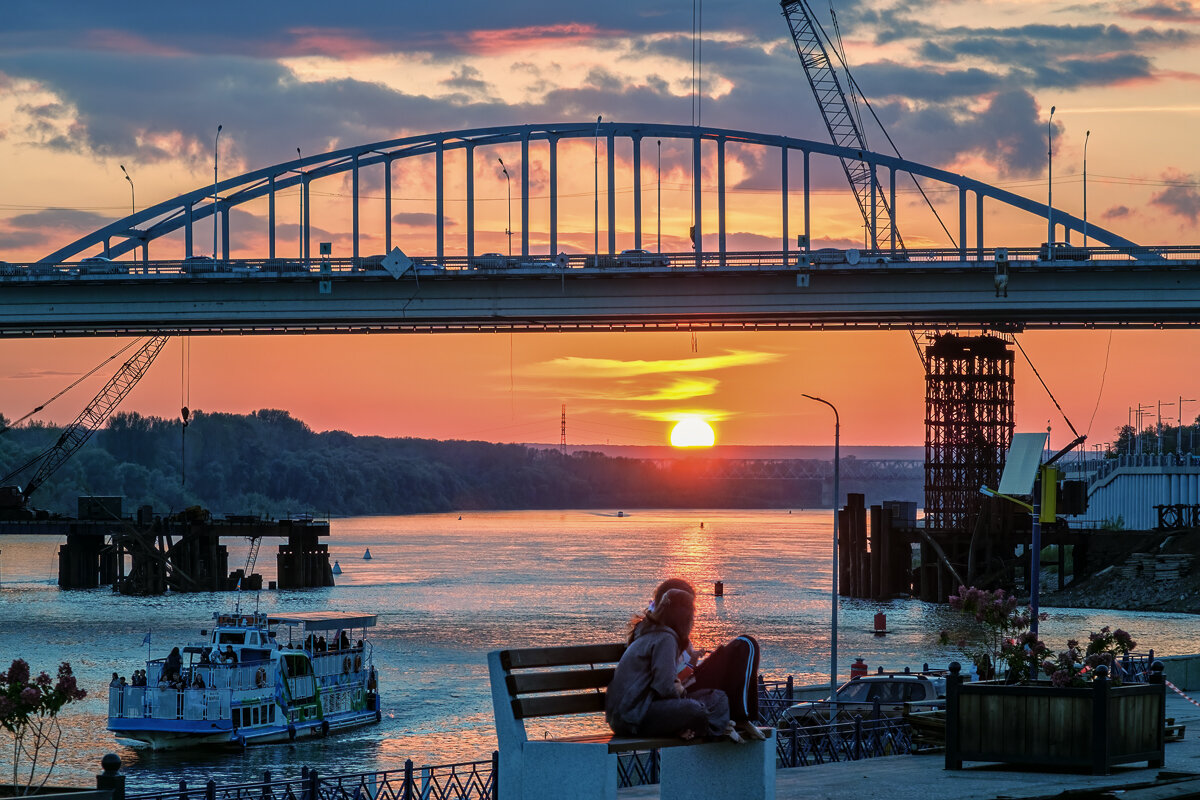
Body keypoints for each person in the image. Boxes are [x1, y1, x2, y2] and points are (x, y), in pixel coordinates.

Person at [630, 578, 766, 741]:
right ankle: (738, 717)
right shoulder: (651, 631)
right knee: (744, 644)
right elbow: (661, 681)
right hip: (679, 697)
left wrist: (693, 658)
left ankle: (740, 717)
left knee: (745, 646)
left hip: (688, 685)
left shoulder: (670, 627)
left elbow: (679, 668)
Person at [606, 588, 734, 740]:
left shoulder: (650, 633)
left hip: (630, 715)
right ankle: (707, 728)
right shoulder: (665, 639)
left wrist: (680, 692)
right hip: (635, 718)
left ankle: (690, 727)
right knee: (694, 709)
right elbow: (664, 687)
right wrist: (680, 692)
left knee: (718, 697)